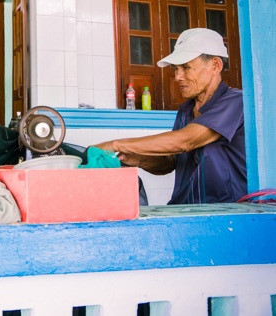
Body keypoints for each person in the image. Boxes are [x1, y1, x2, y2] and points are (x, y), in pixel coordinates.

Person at [96, 28, 246, 204]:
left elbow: (186, 141)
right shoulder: (186, 110)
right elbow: (170, 162)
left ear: (215, 66)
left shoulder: (236, 101)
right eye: (176, 69)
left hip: (228, 211)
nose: (177, 77)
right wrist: (136, 158)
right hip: (185, 209)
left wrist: (116, 144)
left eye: (186, 67)